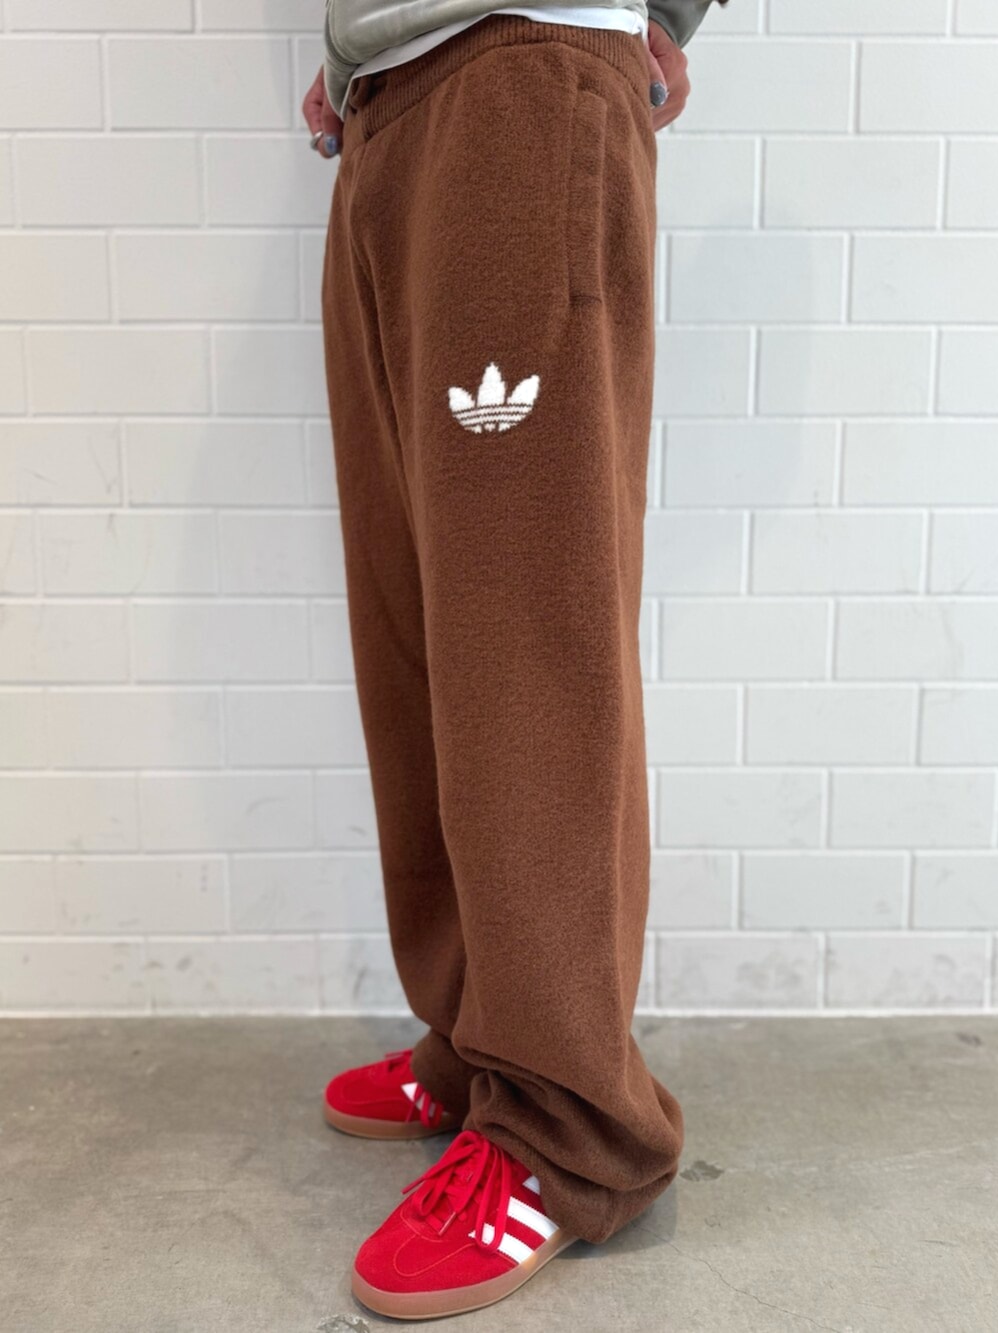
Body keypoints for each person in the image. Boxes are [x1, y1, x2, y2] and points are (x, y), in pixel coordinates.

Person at [301, 0, 722, 1319]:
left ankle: (566, 1126)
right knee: (419, 623)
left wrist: (663, 10)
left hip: (519, 67)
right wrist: (349, 52)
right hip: (390, 101)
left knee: (526, 635)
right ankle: (480, 1041)